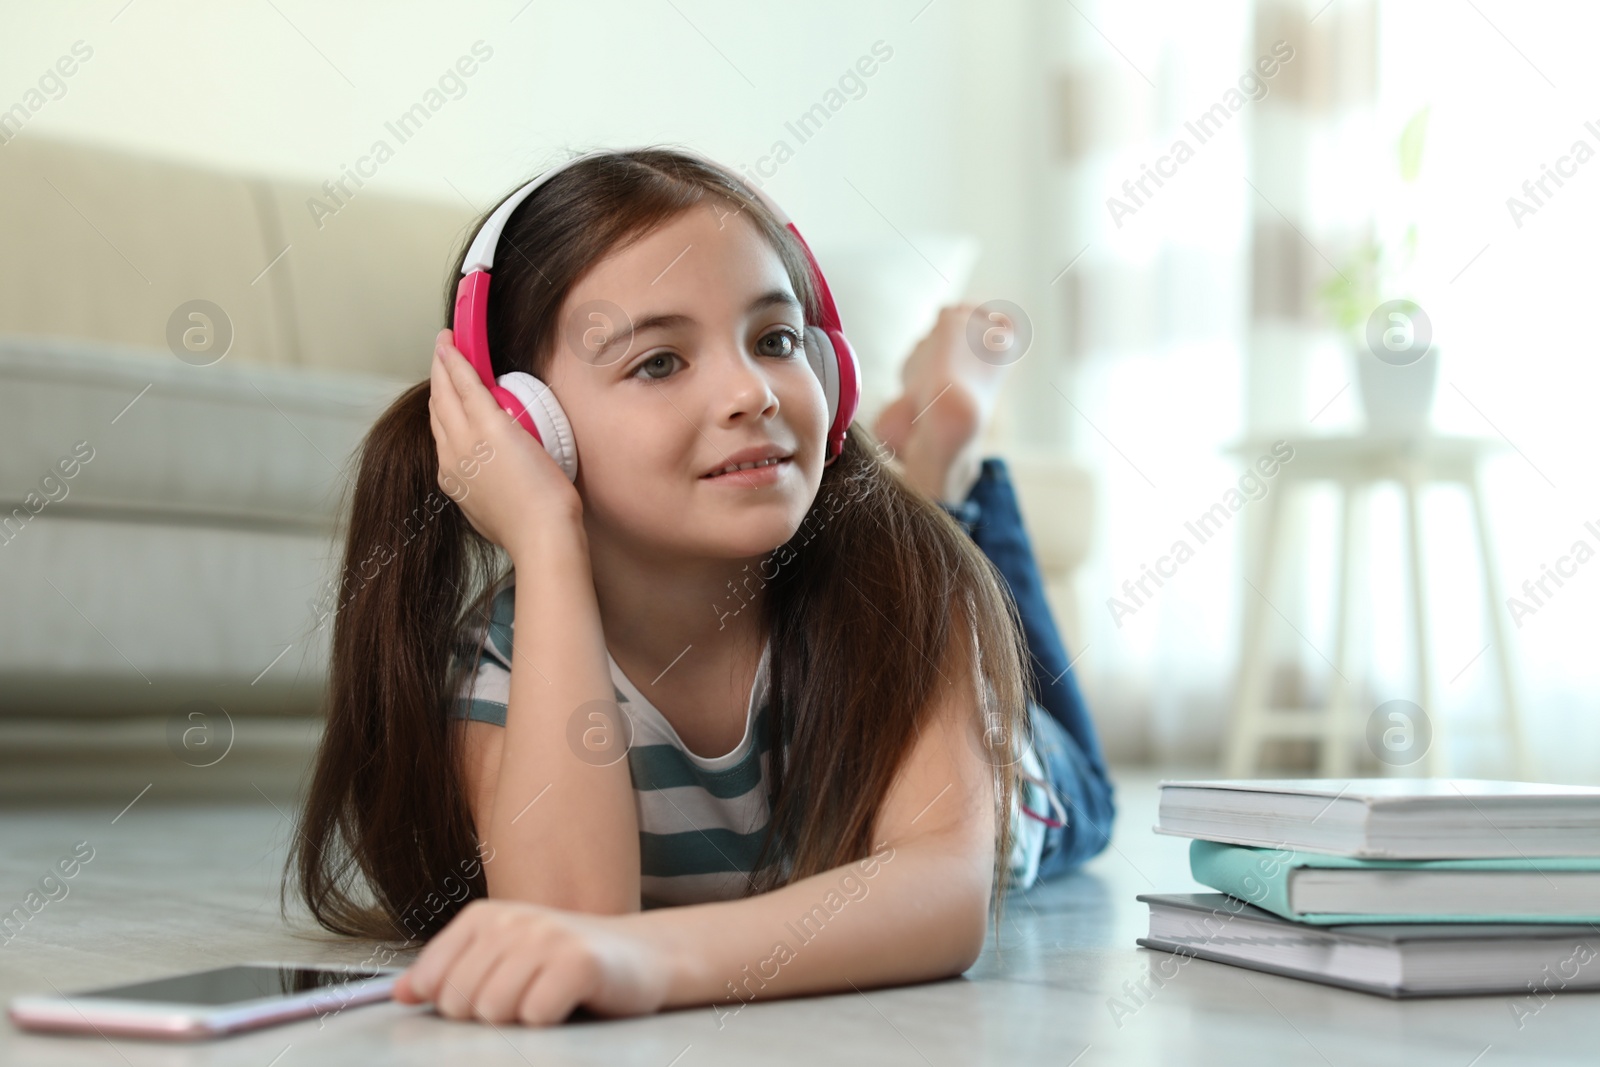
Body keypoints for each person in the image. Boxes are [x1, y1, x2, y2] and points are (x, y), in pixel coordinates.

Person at [287, 149, 1111, 1028]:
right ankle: (933, 466)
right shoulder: (500, 671)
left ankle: (948, 464)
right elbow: (570, 929)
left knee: (1081, 780)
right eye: (659, 362)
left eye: (776, 340)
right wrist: (545, 538)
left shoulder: (905, 586)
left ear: (831, 372)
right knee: (932, 536)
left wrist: (654, 959)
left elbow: (944, 898)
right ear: (531, 424)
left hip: (1025, 780)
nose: (751, 391)